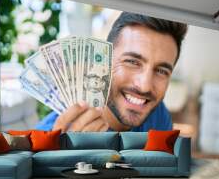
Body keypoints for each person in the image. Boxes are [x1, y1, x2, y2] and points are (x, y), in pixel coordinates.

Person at [36, 12, 188, 132]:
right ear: (104, 62)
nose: (145, 86)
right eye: (132, 62)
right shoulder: (49, 141)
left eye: (161, 71)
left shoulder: (158, 115)